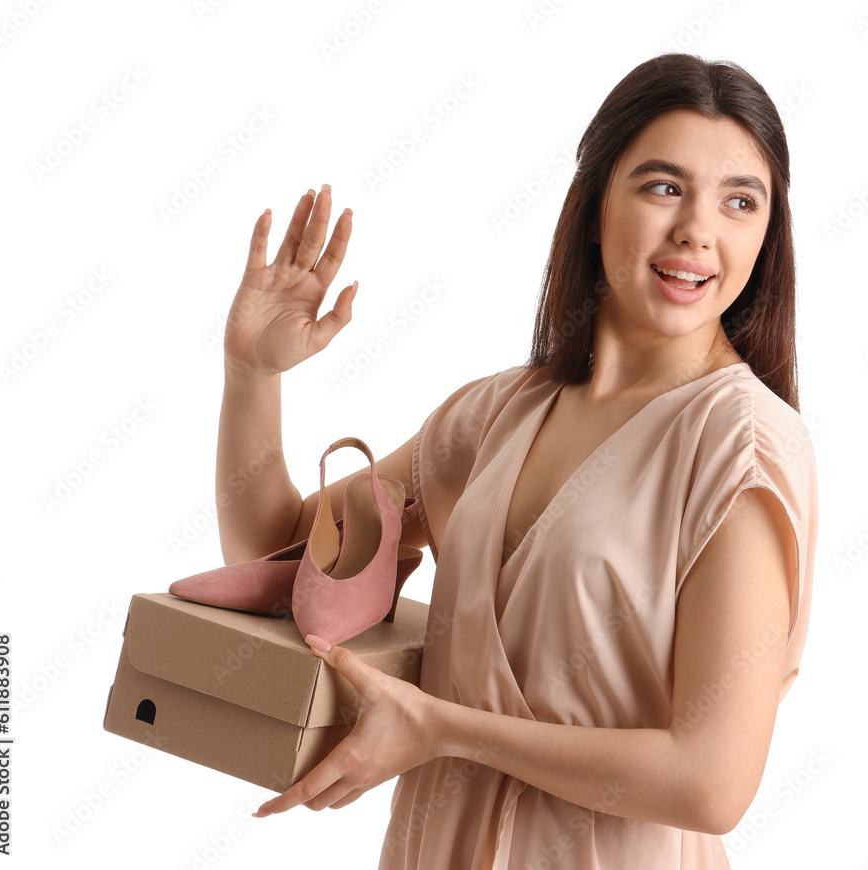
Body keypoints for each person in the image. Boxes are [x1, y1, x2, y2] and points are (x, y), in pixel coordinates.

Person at [232, 52, 818, 869]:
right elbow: (286, 566)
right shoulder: (496, 415)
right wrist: (253, 376)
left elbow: (712, 780)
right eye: (663, 186)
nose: (698, 230)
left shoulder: (740, 446)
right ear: (593, 205)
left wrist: (441, 729)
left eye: (740, 201)